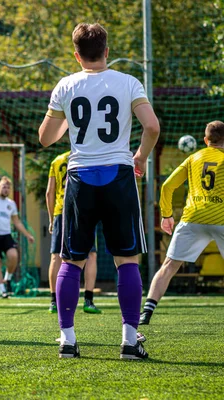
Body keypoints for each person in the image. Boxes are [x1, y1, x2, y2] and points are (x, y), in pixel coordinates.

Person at [38, 23, 160, 359]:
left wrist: (67, 120)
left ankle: (67, 340)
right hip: (119, 175)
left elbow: (45, 138)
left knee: (71, 261)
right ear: (107, 51)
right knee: (127, 260)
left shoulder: (66, 85)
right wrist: (141, 156)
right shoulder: (129, 82)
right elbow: (151, 126)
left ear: (76, 55)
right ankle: (130, 341)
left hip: (80, 178)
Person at [140, 121, 224, 325]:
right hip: (220, 218)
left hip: (193, 218)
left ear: (205, 141)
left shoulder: (193, 158)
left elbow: (167, 187)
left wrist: (166, 215)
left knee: (169, 266)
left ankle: (146, 313)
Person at [46, 150, 101, 314]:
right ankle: (88, 300)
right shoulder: (88, 156)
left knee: (56, 255)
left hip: (61, 211)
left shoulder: (57, 160)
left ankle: (54, 301)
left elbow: (49, 192)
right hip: (84, 211)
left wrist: (51, 219)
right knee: (91, 255)